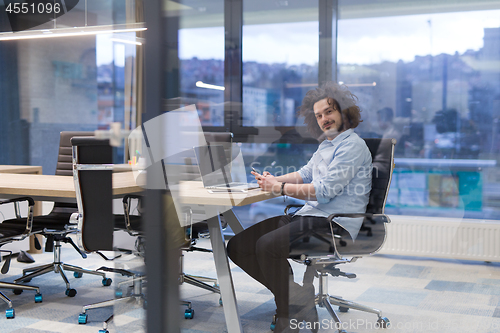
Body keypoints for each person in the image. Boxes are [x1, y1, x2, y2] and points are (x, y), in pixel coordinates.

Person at [227, 82, 373, 332]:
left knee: (267, 246)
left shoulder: (352, 146)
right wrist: (273, 180)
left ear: (343, 111)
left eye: (329, 112)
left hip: (333, 223)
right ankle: (299, 299)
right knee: (237, 246)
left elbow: (324, 192)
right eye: (319, 116)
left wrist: (279, 189)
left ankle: (287, 313)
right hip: (309, 216)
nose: (324, 119)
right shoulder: (327, 145)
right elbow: (305, 174)